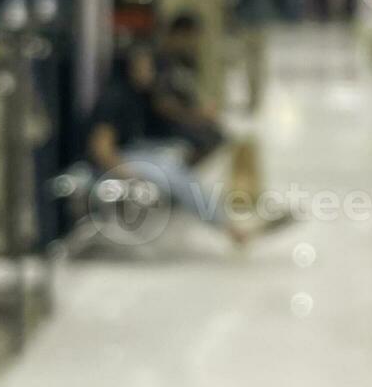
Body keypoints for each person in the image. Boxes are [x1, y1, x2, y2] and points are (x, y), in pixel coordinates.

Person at [85, 45, 250, 247]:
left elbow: (169, 110)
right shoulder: (114, 98)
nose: (148, 72)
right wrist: (125, 171)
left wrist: (200, 115)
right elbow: (102, 147)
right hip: (122, 158)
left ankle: (216, 216)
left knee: (178, 159)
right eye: (143, 67)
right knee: (175, 175)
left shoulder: (140, 94)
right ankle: (228, 227)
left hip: (140, 149)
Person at [151, 12, 225, 162]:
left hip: (183, 117)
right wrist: (194, 116)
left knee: (216, 135)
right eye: (190, 38)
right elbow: (163, 104)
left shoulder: (185, 61)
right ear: (178, 34)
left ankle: (182, 172)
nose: (193, 43)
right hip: (162, 122)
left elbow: (187, 93)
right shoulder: (160, 61)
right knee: (209, 138)